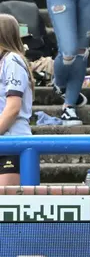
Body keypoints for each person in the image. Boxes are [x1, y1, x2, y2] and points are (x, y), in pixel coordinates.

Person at [0, 14, 34, 185]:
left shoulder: (12, 60)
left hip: (12, 140)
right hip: (3, 140)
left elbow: (13, 107)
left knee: (5, 204)